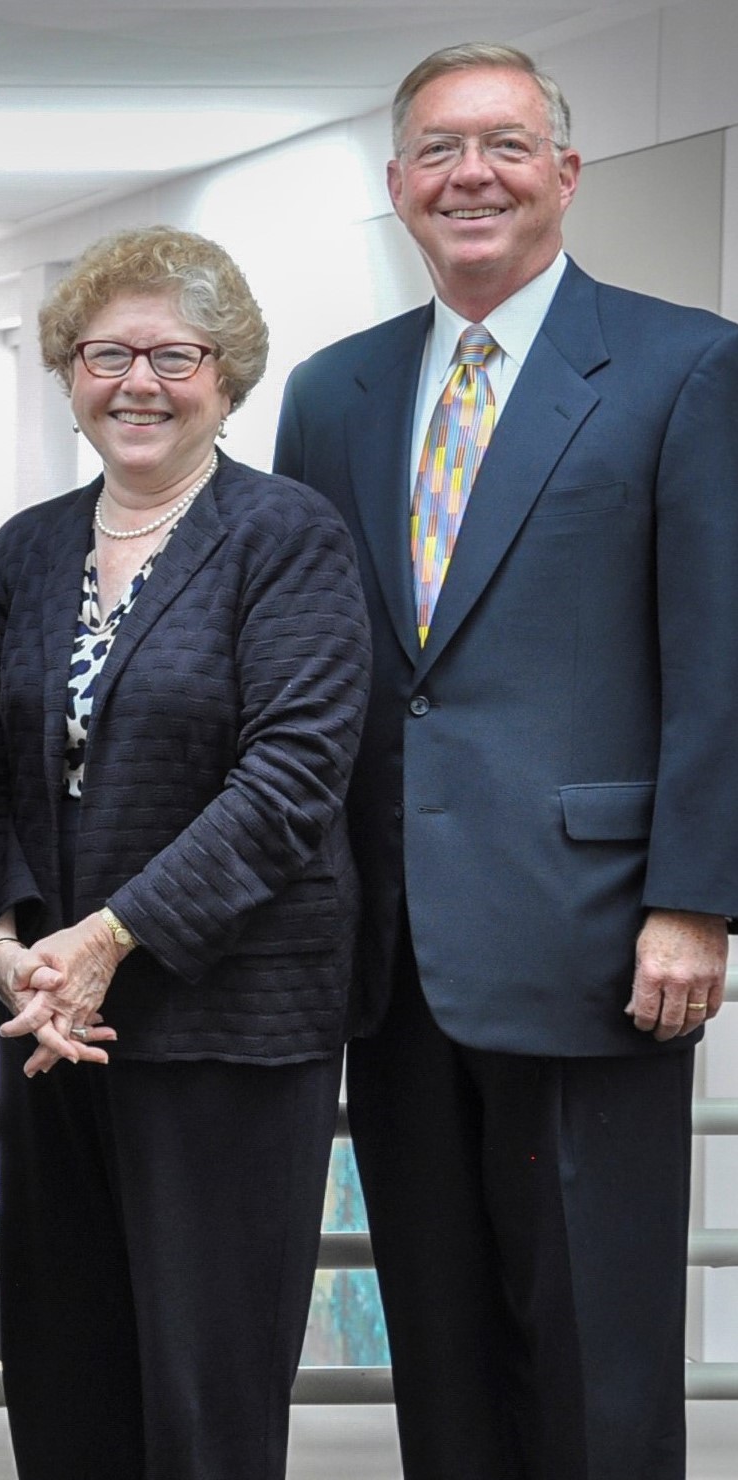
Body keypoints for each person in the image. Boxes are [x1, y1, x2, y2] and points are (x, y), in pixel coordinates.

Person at [273, 44, 738, 1480]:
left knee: (593, 1351)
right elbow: (314, 664)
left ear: (563, 173)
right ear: (397, 185)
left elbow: (717, 650)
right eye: (436, 149)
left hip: (595, 935)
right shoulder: (332, 391)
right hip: (389, 945)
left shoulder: (683, 364)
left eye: (503, 145)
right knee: (442, 1349)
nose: (468, 174)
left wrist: (694, 900)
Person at [0, 224, 369, 1480]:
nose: (136, 382)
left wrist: (105, 938)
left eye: (173, 354)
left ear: (228, 374)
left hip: (229, 1022)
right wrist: (5, 945)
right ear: (69, 372)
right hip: (52, 1027)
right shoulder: (27, 547)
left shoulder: (288, 534)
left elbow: (292, 778)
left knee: (206, 1394)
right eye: (106, 354)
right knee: (66, 1372)